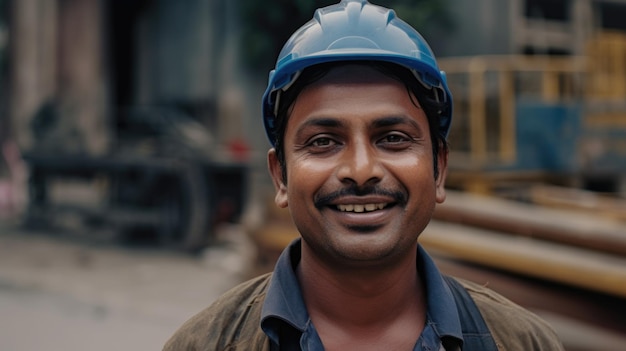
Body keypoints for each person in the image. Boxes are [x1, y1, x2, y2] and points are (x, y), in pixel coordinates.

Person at [163, 1, 565, 350]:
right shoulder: (203, 344)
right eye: (323, 141)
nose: (361, 170)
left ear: (438, 168)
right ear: (280, 177)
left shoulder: (524, 343)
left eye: (392, 138)